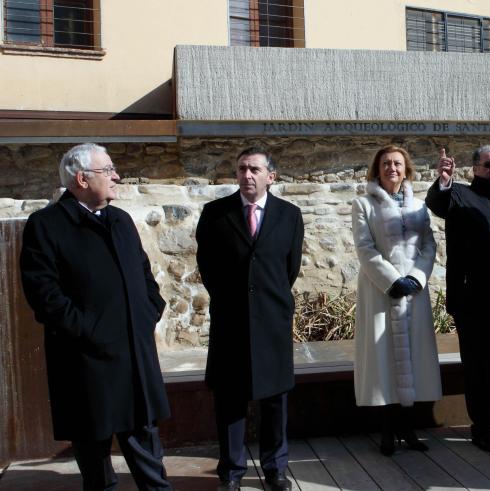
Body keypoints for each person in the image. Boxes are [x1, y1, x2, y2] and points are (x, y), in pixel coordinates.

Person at [20, 143, 172, 490]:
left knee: (151, 466)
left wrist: (150, 311)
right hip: (86, 365)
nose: (116, 176)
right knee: (97, 471)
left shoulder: (120, 220)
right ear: (82, 178)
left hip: (134, 358)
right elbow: (44, 295)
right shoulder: (46, 225)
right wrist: (90, 330)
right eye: (108, 170)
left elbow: (145, 276)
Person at [195, 147, 304, 491]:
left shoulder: (290, 215)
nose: (247, 175)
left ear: (271, 176)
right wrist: (231, 301)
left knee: (275, 399)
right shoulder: (215, 214)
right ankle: (231, 471)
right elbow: (208, 267)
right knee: (229, 398)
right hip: (231, 321)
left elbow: (290, 267)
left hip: (272, 320)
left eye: (255, 169)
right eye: (242, 169)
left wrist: (268, 301)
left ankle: (275, 469)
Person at [425, 145, 490, 453]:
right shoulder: (459, 196)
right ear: (475, 169)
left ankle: (489, 411)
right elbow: (437, 203)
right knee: (477, 363)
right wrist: (443, 179)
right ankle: (480, 425)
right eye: (487, 165)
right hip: (472, 299)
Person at [351, 145, 441, 456]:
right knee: (383, 361)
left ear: (406, 169)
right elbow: (364, 248)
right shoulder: (363, 204)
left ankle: (409, 428)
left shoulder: (419, 206)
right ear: (377, 169)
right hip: (380, 292)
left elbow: (429, 245)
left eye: (398, 164)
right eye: (386, 163)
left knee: (413, 360)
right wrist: (391, 281)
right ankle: (387, 430)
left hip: (414, 293)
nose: (392, 168)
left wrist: (416, 277)